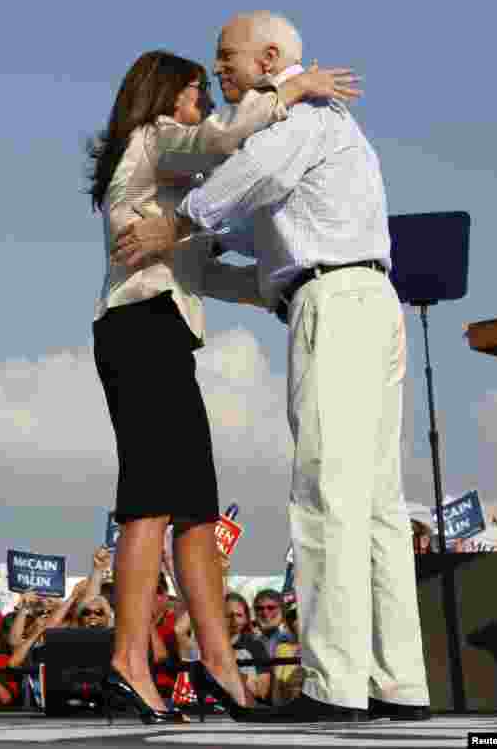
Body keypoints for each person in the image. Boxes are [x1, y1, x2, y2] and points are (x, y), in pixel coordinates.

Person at [114, 11, 430, 724]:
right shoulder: (321, 122)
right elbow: (265, 265)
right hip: (365, 297)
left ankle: (332, 683)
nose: (218, 68)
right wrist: (198, 260)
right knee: (376, 501)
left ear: (271, 57)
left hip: (335, 303)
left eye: (226, 57)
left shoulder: (301, 118)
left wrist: (177, 222)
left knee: (326, 492)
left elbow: (248, 175)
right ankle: (396, 681)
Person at [89, 48, 356, 725]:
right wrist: (290, 89)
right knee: (149, 500)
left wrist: (282, 290)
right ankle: (127, 661)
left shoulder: (169, 183)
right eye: (195, 89)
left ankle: (220, 667)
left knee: (198, 513)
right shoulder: (152, 141)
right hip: (138, 328)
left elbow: (205, 272)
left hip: (165, 335)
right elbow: (224, 140)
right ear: (162, 96)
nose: (205, 100)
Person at [225, 593, 271, 702]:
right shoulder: (210, 642)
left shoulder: (256, 646)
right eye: (228, 615)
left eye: (239, 615)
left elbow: (262, 692)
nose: (234, 620)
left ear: (246, 618)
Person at [252, 589, 294, 658]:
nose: (265, 612)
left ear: (282, 611)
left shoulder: (292, 640)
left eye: (271, 608)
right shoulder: (250, 642)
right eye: (259, 608)